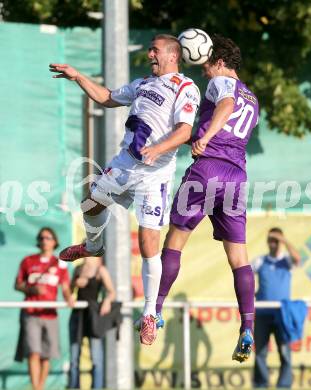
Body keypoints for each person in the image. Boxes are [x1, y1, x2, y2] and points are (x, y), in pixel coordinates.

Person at [49, 34, 200, 345]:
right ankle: (92, 247)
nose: (150, 55)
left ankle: (148, 314)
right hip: (124, 165)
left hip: (153, 175)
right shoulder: (143, 84)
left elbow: (185, 130)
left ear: (173, 55)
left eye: (154, 51)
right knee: (90, 206)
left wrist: (159, 149)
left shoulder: (185, 87)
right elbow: (106, 97)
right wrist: (78, 76)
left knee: (148, 243)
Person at [154, 34, 259, 362]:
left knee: (174, 241)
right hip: (237, 176)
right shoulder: (253, 99)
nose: (204, 72)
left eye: (207, 65)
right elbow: (233, 124)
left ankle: (153, 310)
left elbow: (225, 105)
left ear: (221, 62)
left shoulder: (221, 84)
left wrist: (205, 138)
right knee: (239, 258)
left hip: (208, 169)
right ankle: (247, 326)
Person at [15, 227, 73, 390]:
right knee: (33, 352)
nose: (44, 241)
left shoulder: (60, 263)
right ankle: (36, 388)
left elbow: (66, 287)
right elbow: (17, 285)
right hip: (31, 313)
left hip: (50, 314)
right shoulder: (28, 261)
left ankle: (41, 386)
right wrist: (31, 289)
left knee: (46, 356)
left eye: (48, 238)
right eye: (41, 238)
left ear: (54, 242)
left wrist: (69, 298)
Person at [252, 227, 301, 388]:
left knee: (285, 353)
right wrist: (251, 292)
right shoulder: (260, 261)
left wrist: (284, 239)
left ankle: (284, 385)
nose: (273, 243)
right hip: (262, 313)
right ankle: (261, 384)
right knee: (260, 353)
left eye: (276, 240)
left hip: (283, 315)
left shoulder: (286, 261)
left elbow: (297, 259)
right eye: (271, 240)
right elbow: (246, 277)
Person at [68, 256, 116, 389]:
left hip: (93, 316)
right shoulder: (78, 269)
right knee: (74, 358)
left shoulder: (100, 270)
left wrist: (106, 301)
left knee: (96, 358)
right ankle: (73, 386)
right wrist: (75, 283)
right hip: (78, 315)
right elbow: (70, 291)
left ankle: (97, 387)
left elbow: (112, 292)